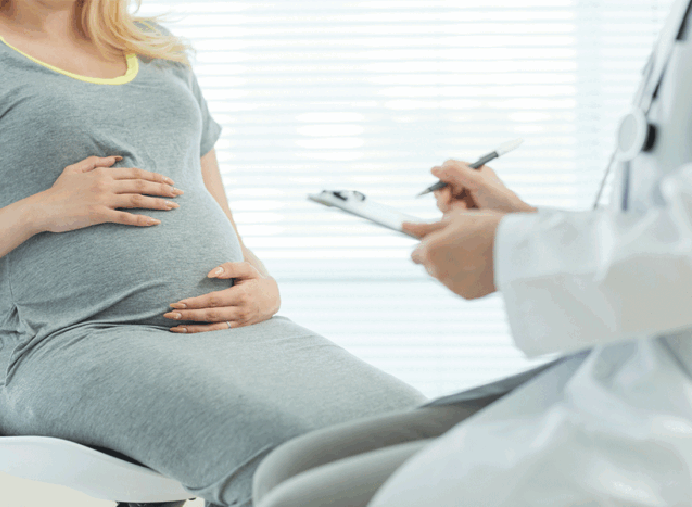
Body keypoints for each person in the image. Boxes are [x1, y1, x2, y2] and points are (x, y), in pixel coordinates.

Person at [0, 1, 428, 506]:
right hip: (71, 338)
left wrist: (262, 283)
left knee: (420, 430)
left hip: (229, 332)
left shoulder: (155, 47)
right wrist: (40, 210)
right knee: (289, 456)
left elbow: (213, 209)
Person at [251, 1, 692, 506]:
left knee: (305, 500)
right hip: (631, 358)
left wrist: (510, 250)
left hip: (668, 401)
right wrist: (522, 222)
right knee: (287, 470)